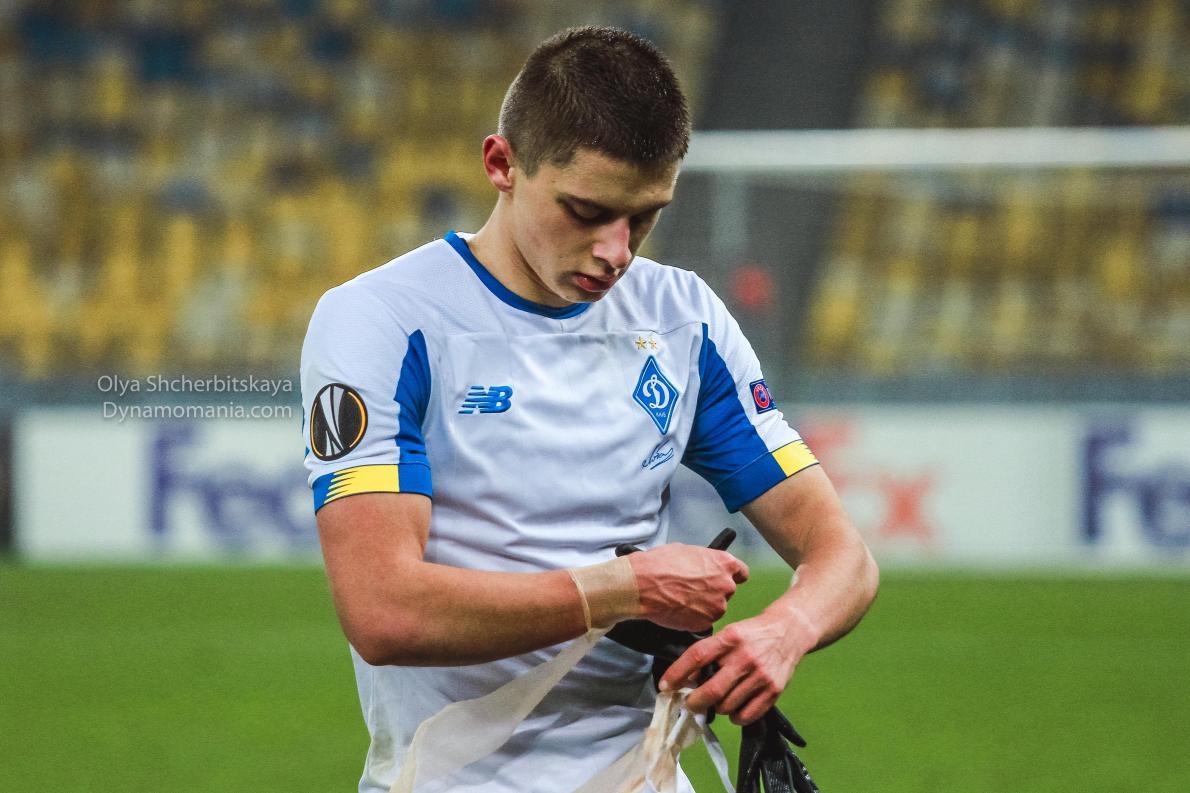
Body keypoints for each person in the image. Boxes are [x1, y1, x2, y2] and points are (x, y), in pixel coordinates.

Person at [300, 26, 878, 793]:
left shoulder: (684, 319)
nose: (617, 250)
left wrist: (785, 629)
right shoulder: (385, 319)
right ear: (502, 164)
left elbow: (843, 554)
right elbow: (384, 611)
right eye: (586, 210)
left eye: (643, 216)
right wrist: (627, 589)